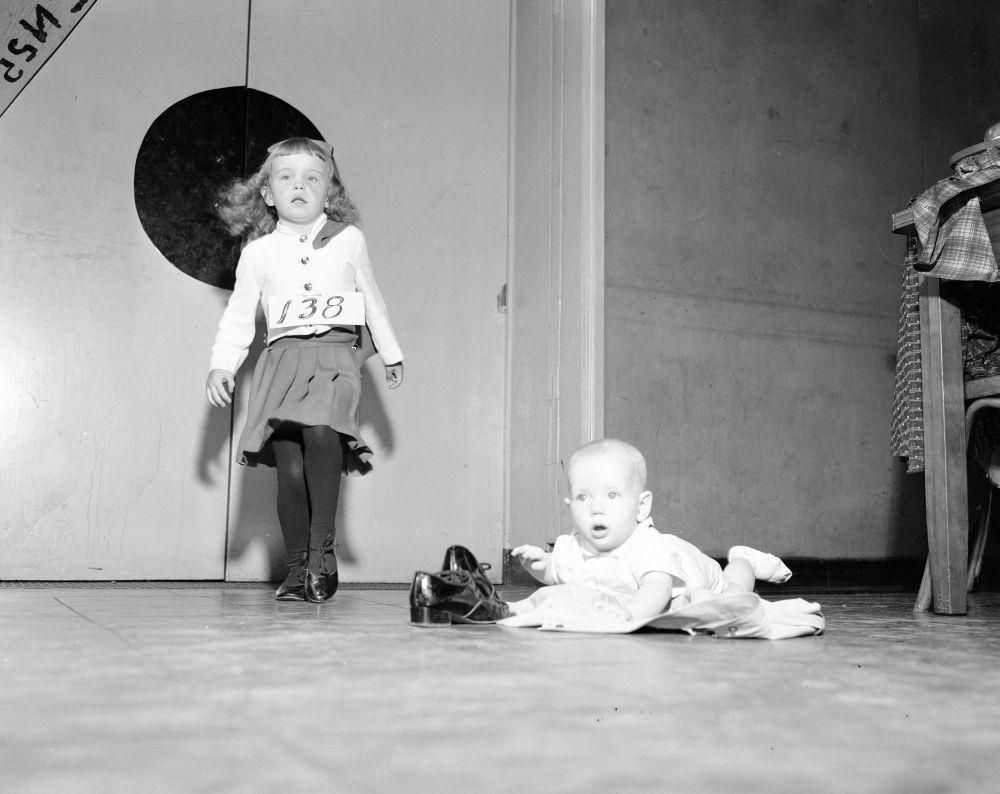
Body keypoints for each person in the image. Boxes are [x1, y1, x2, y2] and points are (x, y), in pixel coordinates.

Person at [206, 137, 404, 604]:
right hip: (282, 362)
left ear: (328, 191)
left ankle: (323, 551)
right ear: (268, 194)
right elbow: (238, 315)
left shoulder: (348, 240)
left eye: (312, 178)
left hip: (335, 357)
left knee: (322, 431)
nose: (300, 186)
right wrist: (222, 365)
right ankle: (297, 567)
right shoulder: (258, 253)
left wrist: (392, 352)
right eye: (287, 177)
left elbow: (371, 297)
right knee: (290, 468)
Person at [409, 437, 791, 626]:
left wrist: (627, 617)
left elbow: (656, 593)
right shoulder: (573, 546)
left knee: (734, 593)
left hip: (692, 573)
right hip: (639, 583)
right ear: (570, 506)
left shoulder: (647, 547)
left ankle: (745, 558)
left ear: (641, 506)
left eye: (612, 495)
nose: (597, 508)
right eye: (583, 497)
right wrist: (539, 566)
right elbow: (560, 575)